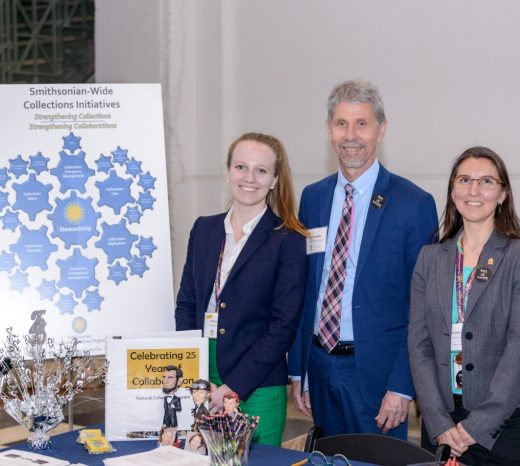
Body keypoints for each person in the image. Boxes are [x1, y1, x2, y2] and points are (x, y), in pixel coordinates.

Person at [288, 79, 439, 439]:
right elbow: (305, 288)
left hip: (378, 377)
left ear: (381, 130)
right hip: (320, 369)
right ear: (328, 130)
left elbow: (422, 306)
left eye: (362, 124)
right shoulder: (313, 198)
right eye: (341, 124)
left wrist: (403, 385)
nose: (350, 135)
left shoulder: (413, 203)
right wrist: (299, 371)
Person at [408, 146, 520, 465]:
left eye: (486, 182)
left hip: (506, 422)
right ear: (453, 189)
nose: (474, 190)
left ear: (502, 194)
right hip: (442, 418)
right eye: (465, 179)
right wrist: (439, 422)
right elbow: (418, 344)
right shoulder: (430, 259)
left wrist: (476, 426)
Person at [175, 132, 307, 446]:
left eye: (261, 170)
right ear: (227, 171)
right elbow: (187, 303)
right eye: (241, 167)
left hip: (257, 383)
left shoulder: (288, 239)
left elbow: (283, 325)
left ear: (275, 179)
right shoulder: (204, 228)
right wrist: (196, 373)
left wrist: (233, 386)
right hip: (203, 375)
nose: (249, 178)